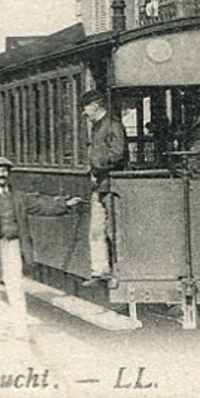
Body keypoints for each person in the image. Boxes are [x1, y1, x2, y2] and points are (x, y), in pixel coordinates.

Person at [0, 157, 82, 341]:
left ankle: (20, 329)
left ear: (8, 174)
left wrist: (64, 204)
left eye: (4, 171)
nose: (2, 175)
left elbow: (40, 205)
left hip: (13, 245)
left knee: (15, 286)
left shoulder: (18, 196)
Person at [82, 91, 127, 285]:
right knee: (96, 230)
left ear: (95, 105)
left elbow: (117, 154)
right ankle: (100, 270)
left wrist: (96, 164)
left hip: (111, 183)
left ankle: (119, 270)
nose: (84, 113)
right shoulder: (98, 126)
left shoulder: (112, 125)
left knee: (112, 229)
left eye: (85, 108)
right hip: (100, 184)